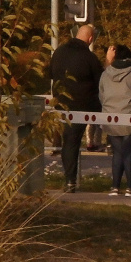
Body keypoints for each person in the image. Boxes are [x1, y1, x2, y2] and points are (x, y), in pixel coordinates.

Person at [48, 23, 104, 192]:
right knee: (72, 142)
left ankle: (70, 179)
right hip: (82, 105)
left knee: (68, 141)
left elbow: (51, 73)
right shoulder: (89, 58)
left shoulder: (58, 53)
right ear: (90, 39)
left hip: (61, 103)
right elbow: (100, 82)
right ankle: (70, 180)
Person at [98, 44, 131, 197]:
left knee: (118, 153)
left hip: (110, 119)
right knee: (130, 153)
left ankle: (114, 187)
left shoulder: (105, 74)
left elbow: (101, 96)